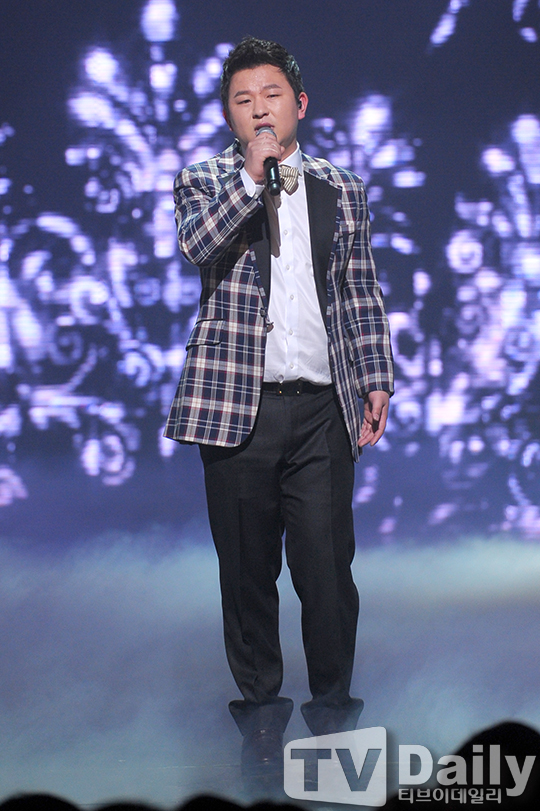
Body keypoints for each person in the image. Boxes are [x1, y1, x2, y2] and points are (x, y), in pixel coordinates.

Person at [164, 36, 394, 781]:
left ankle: (332, 723)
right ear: (230, 117)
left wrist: (377, 377)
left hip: (322, 409)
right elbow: (199, 247)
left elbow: (359, 289)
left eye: (271, 95)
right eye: (243, 100)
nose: (259, 109)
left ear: (299, 104)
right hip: (239, 411)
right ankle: (263, 725)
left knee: (327, 576)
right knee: (247, 576)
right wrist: (252, 179)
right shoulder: (204, 182)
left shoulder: (341, 187)